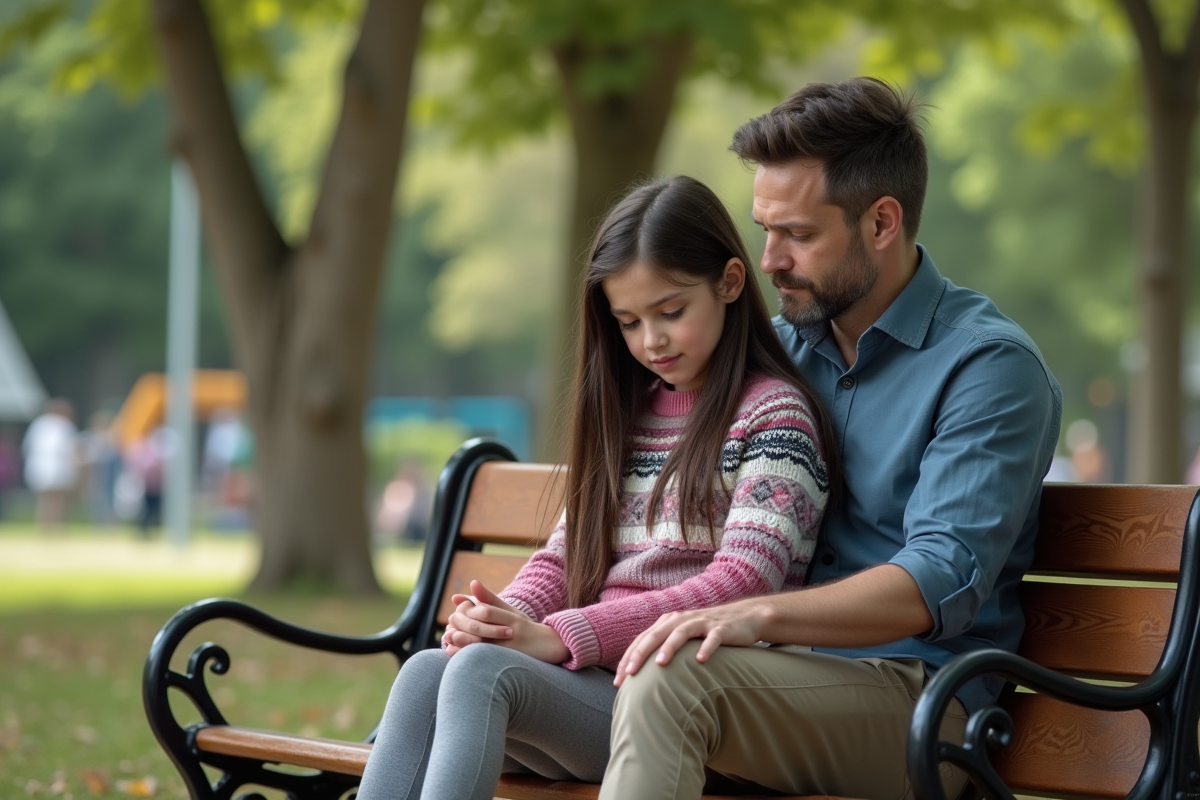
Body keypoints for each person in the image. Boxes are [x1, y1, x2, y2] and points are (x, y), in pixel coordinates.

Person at [602, 78, 1063, 800]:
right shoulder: (779, 350)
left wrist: (754, 614)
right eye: (765, 230)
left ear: (881, 222)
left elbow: (939, 576)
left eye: (799, 235)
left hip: (921, 701)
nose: (769, 260)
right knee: (495, 681)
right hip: (771, 673)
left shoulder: (987, 367)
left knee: (669, 681)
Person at [354, 175, 840, 800]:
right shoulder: (629, 414)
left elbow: (742, 585)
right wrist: (506, 621)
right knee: (429, 670)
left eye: (670, 313)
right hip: (595, 689)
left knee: (479, 675)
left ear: (729, 283)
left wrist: (566, 635)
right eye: (629, 322)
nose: (650, 341)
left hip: (686, 705)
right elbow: (566, 554)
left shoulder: (775, 417)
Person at [22, 398, 80, 531]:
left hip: (40, 466)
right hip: (57, 466)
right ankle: (55, 526)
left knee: (45, 499)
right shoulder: (65, 425)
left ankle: (45, 526)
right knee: (58, 499)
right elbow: (70, 449)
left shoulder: (39, 424)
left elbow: (27, 447)